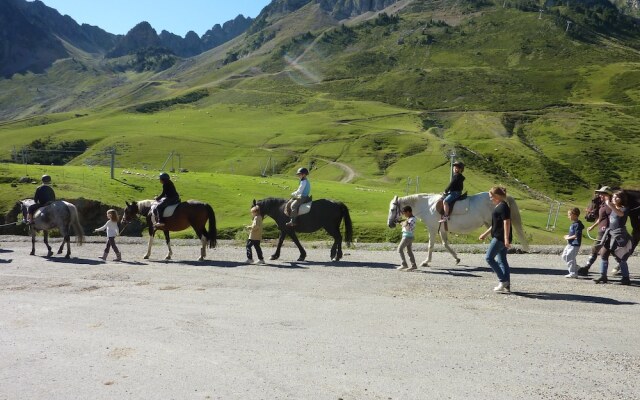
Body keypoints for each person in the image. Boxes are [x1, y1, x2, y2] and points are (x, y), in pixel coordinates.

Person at [594, 190, 632, 285]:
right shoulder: (613, 208)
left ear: (622, 198)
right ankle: (603, 276)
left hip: (618, 236)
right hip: (610, 235)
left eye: (617, 197)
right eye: (613, 197)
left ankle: (626, 278)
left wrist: (610, 204)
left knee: (620, 257)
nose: (614, 199)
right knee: (603, 254)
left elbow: (620, 214)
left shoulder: (624, 208)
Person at [479, 186, 512, 293]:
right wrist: (485, 234)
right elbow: (495, 225)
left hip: (500, 238)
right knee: (502, 260)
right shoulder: (500, 206)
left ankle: (503, 281)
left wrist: (506, 239)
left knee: (489, 258)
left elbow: (507, 222)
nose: (490, 199)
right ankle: (506, 284)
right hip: (500, 237)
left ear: (497, 196)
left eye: (491, 197)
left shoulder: (502, 207)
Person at [578, 186, 612, 276]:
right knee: (598, 250)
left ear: (607, 194)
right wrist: (593, 226)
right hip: (602, 230)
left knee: (597, 249)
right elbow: (601, 218)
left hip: (607, 231)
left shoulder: (610, 205)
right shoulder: (603, 204)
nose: (600, 195)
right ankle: (588, 268)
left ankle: (587, 267)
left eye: (602, 194)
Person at [562, 207, 584, 279]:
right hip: (570, 244)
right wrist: (568, 236)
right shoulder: (573, 224)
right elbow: (573, 234)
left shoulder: (578, 225)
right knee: (564, 256)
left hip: (575, 244)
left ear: (575, 215)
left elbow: (576, 235)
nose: (568, 216)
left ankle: (573, 273)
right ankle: (576, 267)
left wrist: (567, 238)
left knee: (570, 257)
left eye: (569, 214)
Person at [397, 205, 418, 271]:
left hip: (407, 237)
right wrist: (401, 222)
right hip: (407, 236)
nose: (404, 215)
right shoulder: (409, 219)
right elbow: (405, 223)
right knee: (409, 251)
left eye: (404, 213)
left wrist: (402, 223)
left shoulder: (412, 219)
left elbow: (407, 227)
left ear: (408, 212)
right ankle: (413, 265)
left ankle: (404, 264)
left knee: (399, 249)